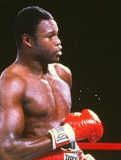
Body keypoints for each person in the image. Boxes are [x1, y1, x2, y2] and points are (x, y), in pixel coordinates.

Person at [0, 6, 103, 160]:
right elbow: (6, 151)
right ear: (28, 40)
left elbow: (60, 130)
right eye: (50, 36)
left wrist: (77, 155)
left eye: (57, 35)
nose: (58, 42)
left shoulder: (63, 74)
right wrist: (68, 133)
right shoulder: (12, 82)